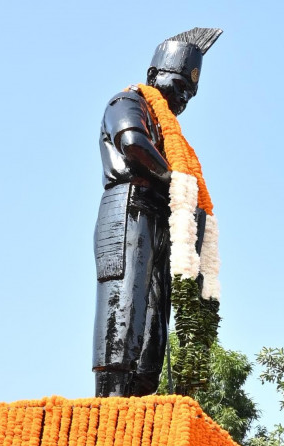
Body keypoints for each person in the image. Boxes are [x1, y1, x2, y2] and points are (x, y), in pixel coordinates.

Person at [93, 28, 222, 396]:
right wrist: (176, 183)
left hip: (163, 217)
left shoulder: (173, 134)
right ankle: (112, 395)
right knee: (125, 298)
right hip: (130, 207)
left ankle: (143, 395)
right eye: (179, 85)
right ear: (153, 76)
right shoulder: (127, 102)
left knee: (156, 313)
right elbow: (133, 143)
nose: (183, 97)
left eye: (190, 93)